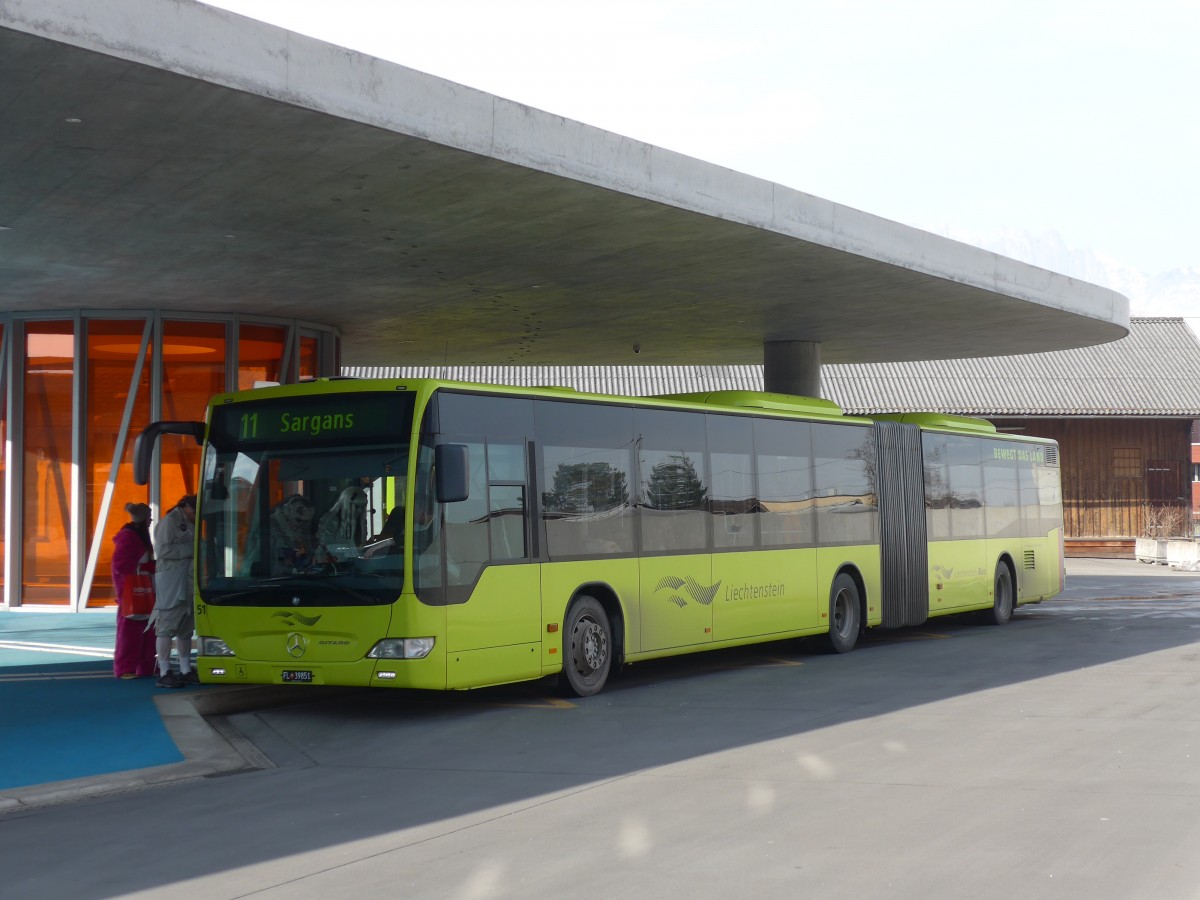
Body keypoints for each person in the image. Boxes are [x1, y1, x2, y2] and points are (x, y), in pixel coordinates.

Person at [151, 494, 197, 688]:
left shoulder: (189, 521)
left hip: (188, 580)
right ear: (187, 508)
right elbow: (162, 551)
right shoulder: (169, 522)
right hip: (171, 581)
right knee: (167, 627)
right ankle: (164, 672)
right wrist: (193, 549)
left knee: (186, 628)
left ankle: (185, 669)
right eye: (195, 511)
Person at [111, 502, 157, 679]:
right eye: (149, 516)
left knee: (146, 628)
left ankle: (144, 666)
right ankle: (125, 668)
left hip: (141, 587)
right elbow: (120, 565)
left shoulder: (136, 536)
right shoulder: (129, 537)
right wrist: (147, 566)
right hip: (132, 590)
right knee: (130, 630)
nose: (151, 519)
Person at [316, 485, 369, 561]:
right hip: (331, 563)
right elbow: (325, 545)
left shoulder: (361, 521)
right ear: (347, 504)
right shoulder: (331, 518)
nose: (360, 511)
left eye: (363, 506)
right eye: (356, 506)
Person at [269, 493, 316, 573]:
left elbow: (309, 553)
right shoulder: (271, 527)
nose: (301, 525)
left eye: (306, 522)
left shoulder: (300, 532)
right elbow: (271, 563)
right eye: (299, 520)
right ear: (288, 514)